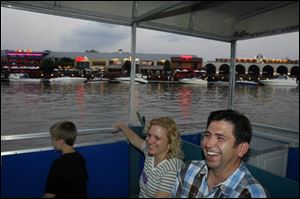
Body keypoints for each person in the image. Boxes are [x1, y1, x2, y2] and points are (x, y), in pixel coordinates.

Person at [171, 109, 268, 198]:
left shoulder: (250, 194)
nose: (208, 144)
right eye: (207, 135)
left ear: (242, 149)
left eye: (220, 138)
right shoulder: (188, 170)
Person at [114, 117, 184, 198]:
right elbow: (134, 139)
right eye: (149, 135)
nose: (150, 141)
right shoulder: (150, 153)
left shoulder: (171, 168)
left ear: (170, 144)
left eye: (157, 138)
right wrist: (121, 126)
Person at [43, 121, 88, 198]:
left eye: (52, 139)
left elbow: (50, 194)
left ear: (61, 141)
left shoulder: (58, 164)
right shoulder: (80, 158)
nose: (52, 142)